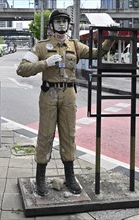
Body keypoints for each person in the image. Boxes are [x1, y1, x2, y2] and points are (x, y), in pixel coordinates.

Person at [16, 9, 115, 196]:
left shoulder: (75, 46)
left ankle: (70, 176)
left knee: (69, 134)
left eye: (65, 21)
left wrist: (109, 38)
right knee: (45, 134)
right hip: (48, 94)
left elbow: (97, 53)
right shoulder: (41, 47)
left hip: (69, 93)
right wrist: (45, 64)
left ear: (69, 25)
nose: (62, 25)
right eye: (58, 21)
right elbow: (21, 69)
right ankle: (40, 178)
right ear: (52, 25)